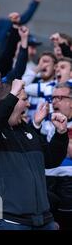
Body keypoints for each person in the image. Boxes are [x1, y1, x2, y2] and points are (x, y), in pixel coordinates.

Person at [0, 77, 69, 230]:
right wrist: (12, 95)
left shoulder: (24, 129)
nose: (28, 104)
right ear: (11, 99)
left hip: (40, 220)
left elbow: (50, 160)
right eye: (24, 99)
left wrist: (60, 134)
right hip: (2, 219)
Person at [37, 83, 72, 230]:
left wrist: (62, 133)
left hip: (68, 182)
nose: (55, 101)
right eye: (53, 98)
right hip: (47, 180)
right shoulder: (45, 123)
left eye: (61, 97)